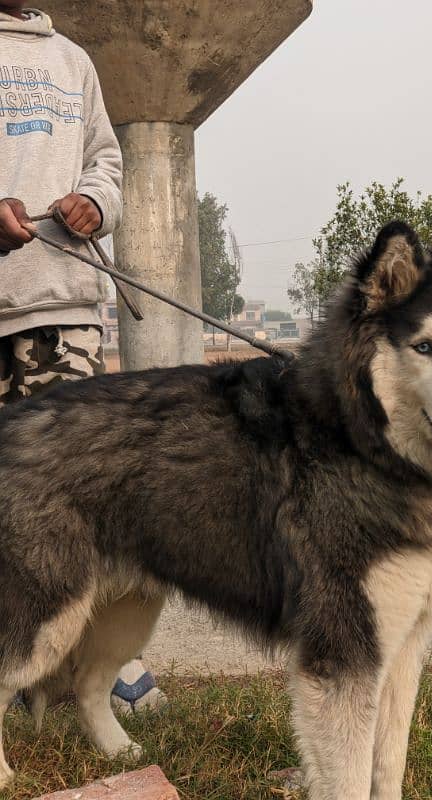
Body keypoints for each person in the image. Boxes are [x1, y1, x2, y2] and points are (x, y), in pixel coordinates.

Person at [0, 3, 165, 713]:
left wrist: (97, 204)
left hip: (64, 311)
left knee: (73, 505)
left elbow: (106, 159)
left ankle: (88, 669)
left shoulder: (74, 60)